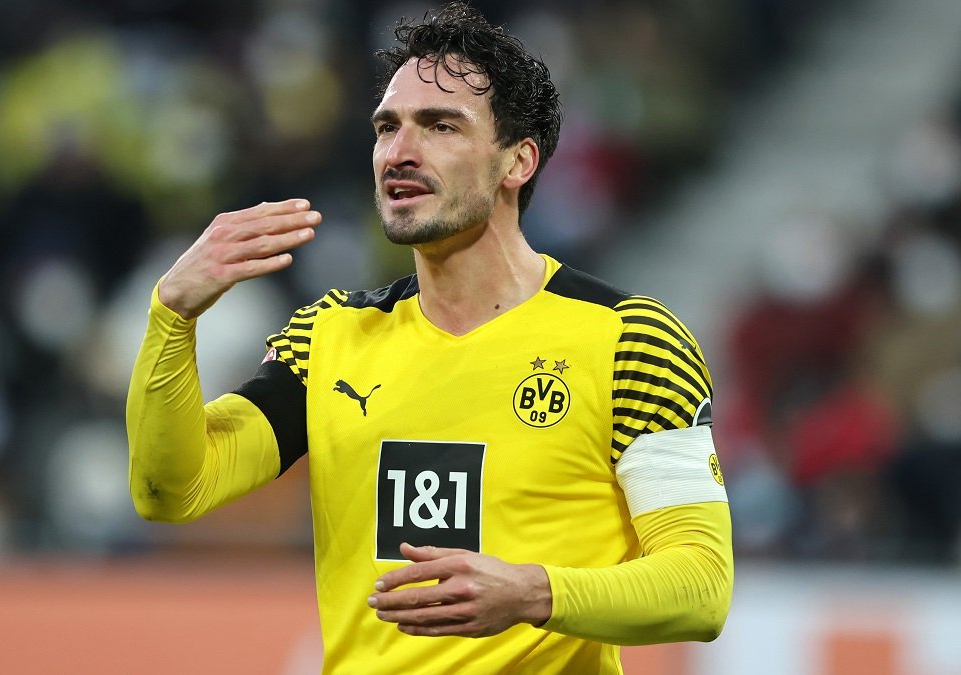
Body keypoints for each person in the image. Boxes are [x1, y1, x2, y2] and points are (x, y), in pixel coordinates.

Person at [125, 3, 732, 673]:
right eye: (388, 127)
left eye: (441, 126)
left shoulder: (630, 340)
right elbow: (172, 489)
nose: (399, 152)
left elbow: (702, 587)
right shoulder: (330, 337)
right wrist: (172, 316)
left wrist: (535, 593)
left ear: (518, 161)